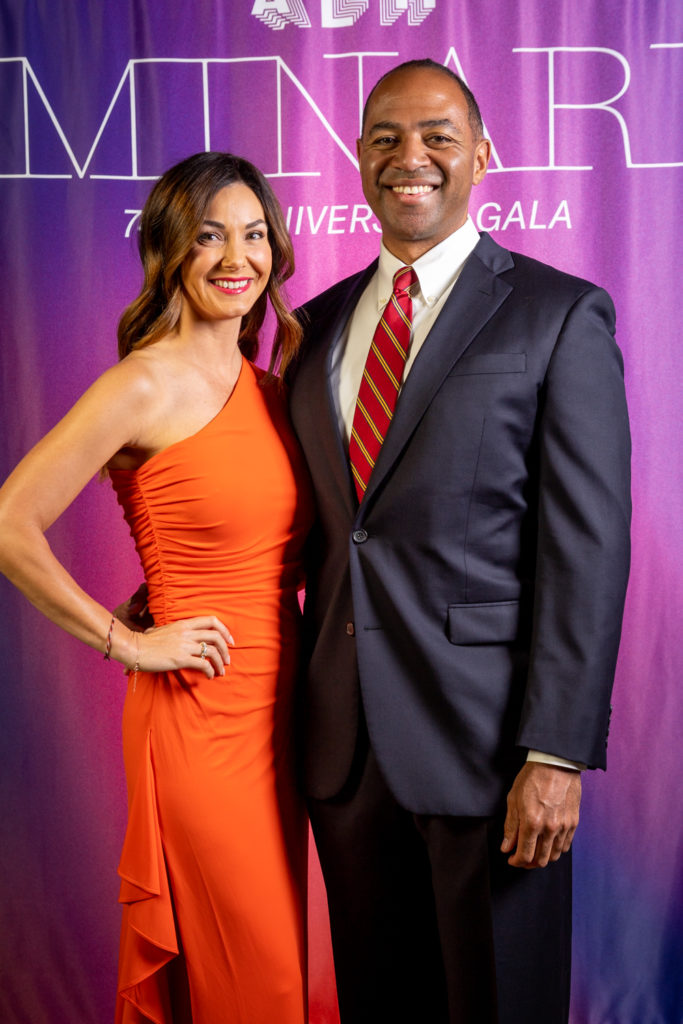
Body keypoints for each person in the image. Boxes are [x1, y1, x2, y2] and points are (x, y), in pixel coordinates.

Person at [287, 59, 631, 1024]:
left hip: (491, 753)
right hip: (344, 749)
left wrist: (554, 754)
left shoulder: (556, 314)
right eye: (386, 138)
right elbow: (309, 526)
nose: (411, 158)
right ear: (358, 159)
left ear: (482, 154)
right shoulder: (312, 331)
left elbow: (587, 549)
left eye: (437, 135)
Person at [0, 152, 313, 1024]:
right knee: (264, 986)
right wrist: (128, 638)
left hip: (284, 717)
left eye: (253, 235)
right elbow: (7, 523)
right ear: (170, 249)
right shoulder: (140, 382)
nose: (234, 258)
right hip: (196, 716)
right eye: (209, 236)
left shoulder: (276, 387)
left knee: (267, 967)